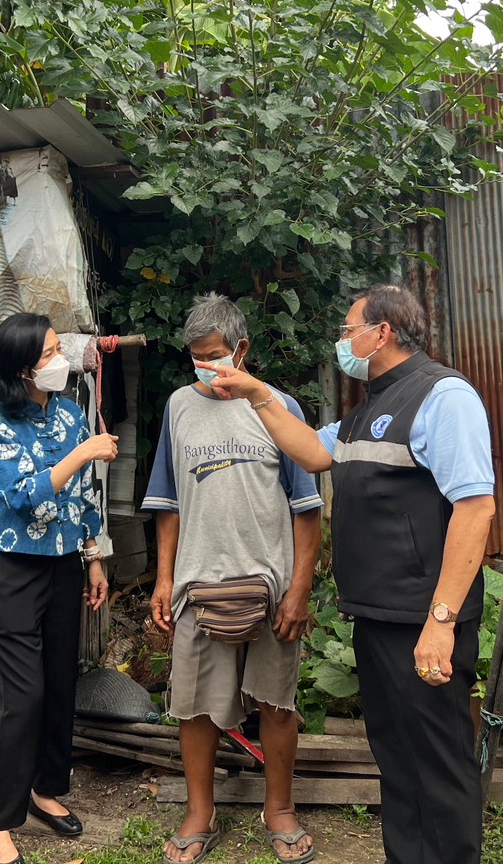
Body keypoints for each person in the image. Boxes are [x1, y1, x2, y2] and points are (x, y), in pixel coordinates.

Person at [208, 284, 496, 864]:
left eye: (348, 331)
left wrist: (441, 621)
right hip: (377, 616)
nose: (343, 341)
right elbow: (314, 453)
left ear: (382, 333)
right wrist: (258, 393)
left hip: (422, 621)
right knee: (397, 758)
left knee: (438, 766)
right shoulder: (371, 407)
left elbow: (476, 507)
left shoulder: (444, 396)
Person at [144, 294, 323, 864]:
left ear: (241, 350)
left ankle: (280, 810)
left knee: (276, 703)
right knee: (193, 708)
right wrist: (163, 579)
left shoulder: (278, 405)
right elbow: (167, 504)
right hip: (198, 584)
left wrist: (300, 588)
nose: (207, 367)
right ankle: (201, 813)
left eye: (216, 355)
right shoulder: (177, 407)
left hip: (271, 588)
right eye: (197, 357)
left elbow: (307, 506)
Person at [0, 313, 117, 864]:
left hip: (64, 566)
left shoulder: (68, 415)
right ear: (21, 367)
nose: (62, 359)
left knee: (61, 682)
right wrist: (81, 454)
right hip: (12, 569)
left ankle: (46, 788)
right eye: (51, 352)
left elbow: (80, 498)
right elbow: (26, 496)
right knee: (23, 695)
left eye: (61, 348)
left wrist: (94, 557)